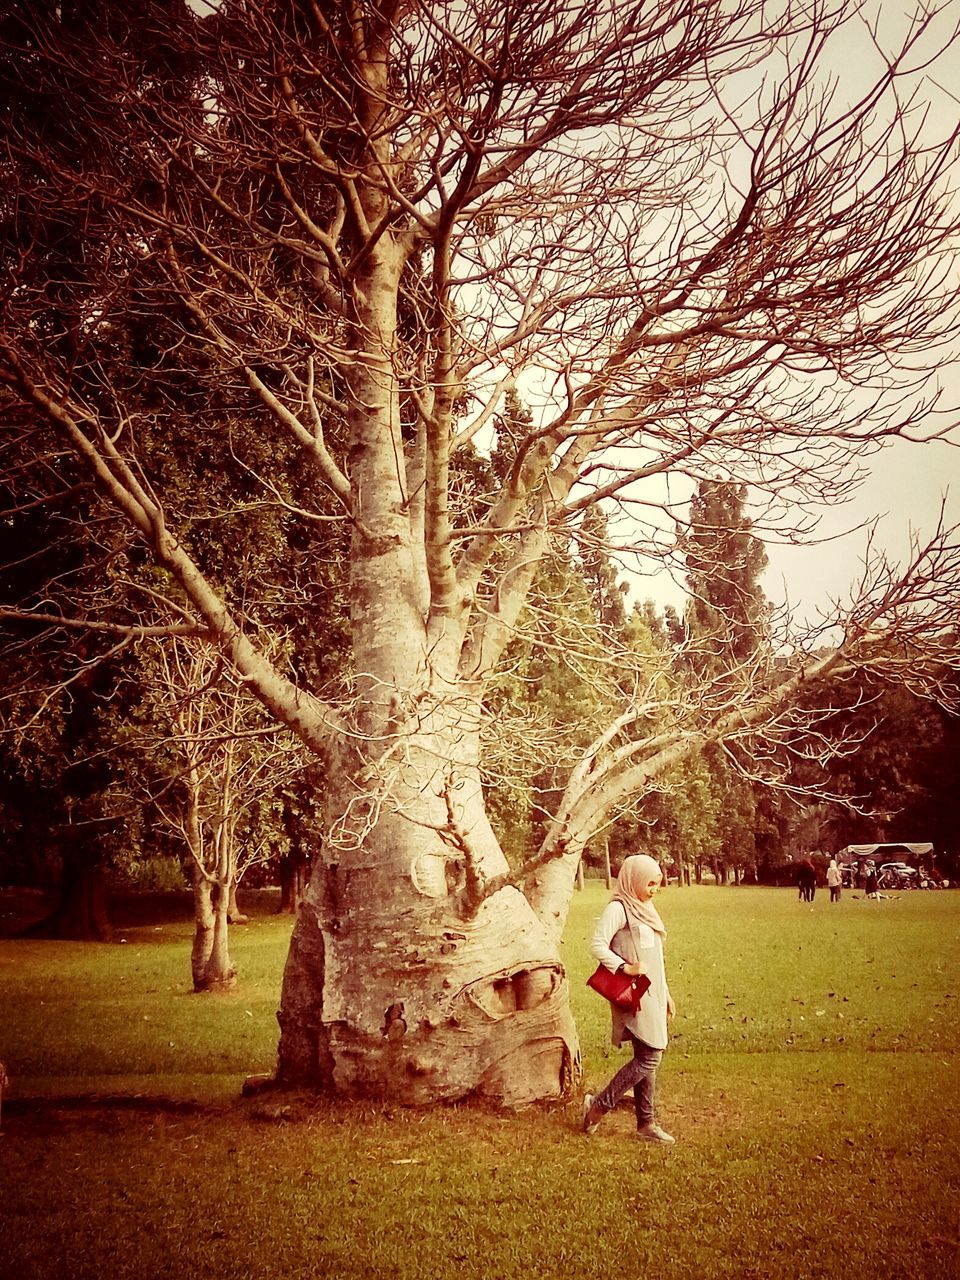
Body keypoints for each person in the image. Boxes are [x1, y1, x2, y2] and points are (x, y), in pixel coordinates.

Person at [582, 854, 675, 1144]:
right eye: (649, 883)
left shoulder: (646, 908)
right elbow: (596, 943)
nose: (653, 889)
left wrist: (667, 993)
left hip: (654, 993)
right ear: (633, 880)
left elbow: (655, 959)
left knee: (647, 1055)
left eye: (657, 883)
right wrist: (623, 967)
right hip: (634, 993)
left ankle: (645, 1124)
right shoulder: (619, 908)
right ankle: (598, 1106)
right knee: (651, 1056)